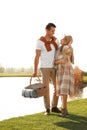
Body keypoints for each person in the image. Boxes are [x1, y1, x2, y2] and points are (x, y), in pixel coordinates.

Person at [32, 23, 61, 115]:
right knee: (46, 88)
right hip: (44, 68)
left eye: (54, 31)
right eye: (52, 31)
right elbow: (37, 56)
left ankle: (54, 106)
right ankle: (47, 108)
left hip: (54, 67)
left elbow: (60, 53)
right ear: (47, 30)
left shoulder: (56, 41)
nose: (53, 32)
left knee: (57, 87)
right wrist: (35, 71)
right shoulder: (40, 42)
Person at [54, 35, 75, 117]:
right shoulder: (59, 49)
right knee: (62, 91)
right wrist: (58, 62)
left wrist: (57, 62)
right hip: (60, 71)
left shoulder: (68, 48)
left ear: (66, 41)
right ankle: (65, 109)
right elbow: (57, 61)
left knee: (64, 90)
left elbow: (63, 60)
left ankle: (63, 109)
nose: (61, 40)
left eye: (62, 39)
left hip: (66, 70)